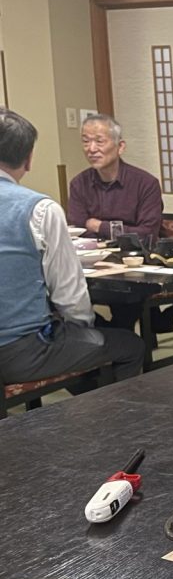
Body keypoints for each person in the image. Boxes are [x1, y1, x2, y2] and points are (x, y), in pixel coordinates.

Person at [0, 108, 144, 387]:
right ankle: (110, 413)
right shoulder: (39, 209)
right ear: (29, 159)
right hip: (19, 352)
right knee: (130, 345)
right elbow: (69, 295)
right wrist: (81, 327)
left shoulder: (141, 181)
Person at [69, 113, 165, 330]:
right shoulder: (79, 184)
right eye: (86, 141)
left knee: (126, 297)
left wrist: (99, 226)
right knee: (62, 297)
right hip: (93, 265)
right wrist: (121, 232)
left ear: (120, 147)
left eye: (99, 141)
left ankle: (119, 340)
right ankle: (108, 337)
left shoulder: (145, 183)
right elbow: (78, 230)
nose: (91, 149)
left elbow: (147, 233)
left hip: (136, 265)